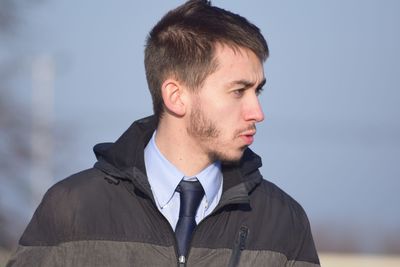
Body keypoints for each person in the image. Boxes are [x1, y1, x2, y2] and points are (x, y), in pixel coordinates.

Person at [7, 1, 320, 266]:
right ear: (176, 96)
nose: (257, 112)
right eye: (239, 91)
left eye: (258, 91)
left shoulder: (283, 221)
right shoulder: (72, 208)